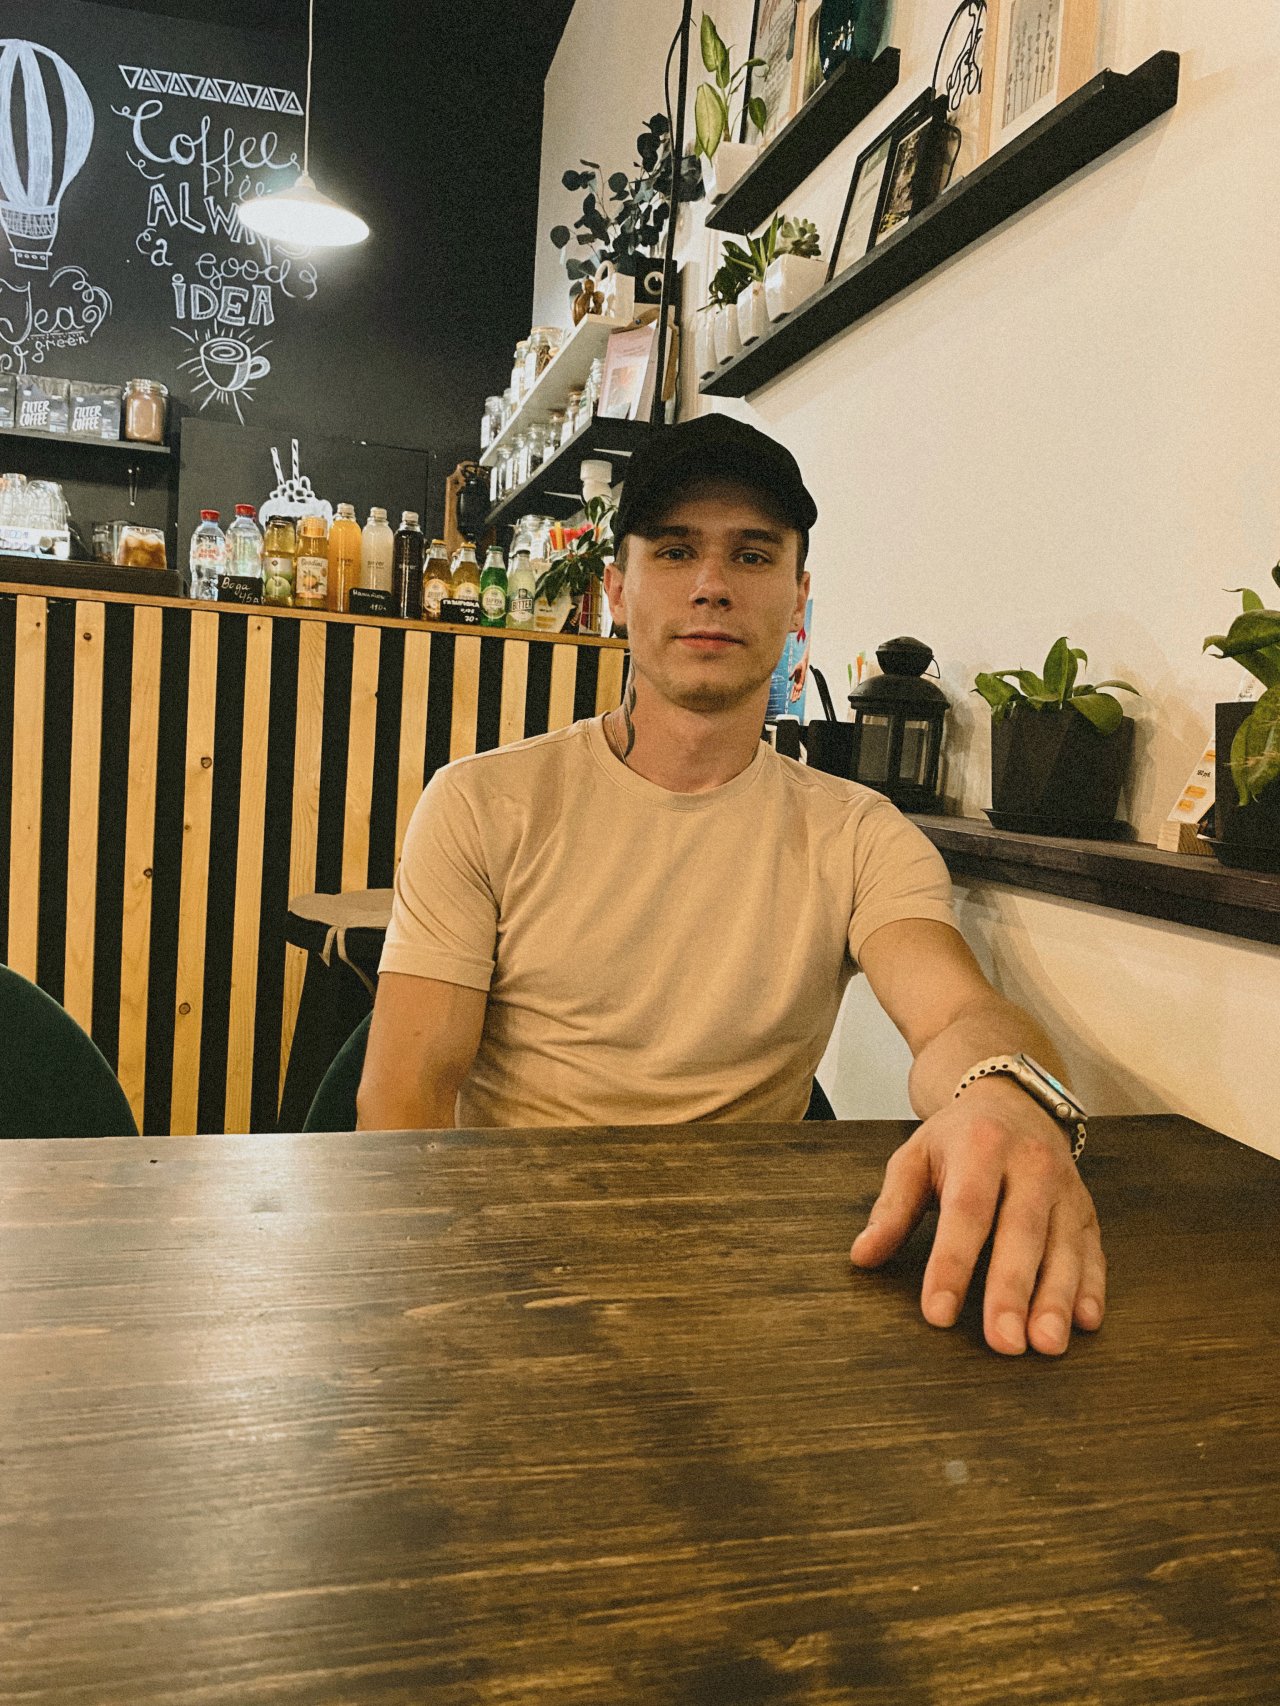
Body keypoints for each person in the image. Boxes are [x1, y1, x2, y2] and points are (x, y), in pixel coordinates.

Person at [358, 414, 1106, 1360]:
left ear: (798, 599)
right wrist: (438, 1313)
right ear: (617, 589)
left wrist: (999, 1095)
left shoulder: (860, 834)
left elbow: (957, 1012)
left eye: (752, 555)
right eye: (676, 551)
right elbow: (406, 1099)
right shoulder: (480, 805)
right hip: (513, 1271)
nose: (712, 584)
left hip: (744, 1286)